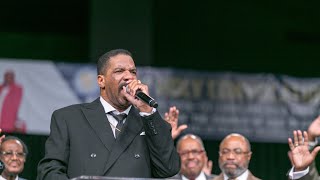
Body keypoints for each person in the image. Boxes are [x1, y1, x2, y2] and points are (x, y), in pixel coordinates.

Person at [37, 49, 180, 179]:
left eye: (133, 72)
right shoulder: (69, 118)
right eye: (119, 71)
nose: (128, 77)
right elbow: (49, 171)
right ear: (101, 81)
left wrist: (147, 112)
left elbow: (168, 169)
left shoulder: (150, 122)